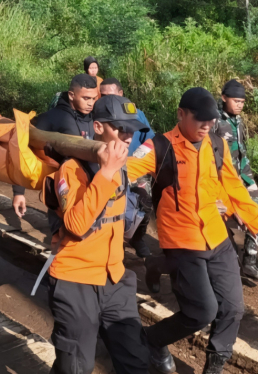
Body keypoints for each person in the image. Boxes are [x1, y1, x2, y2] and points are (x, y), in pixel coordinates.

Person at [126, 87, 258, 374]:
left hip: (216, 236)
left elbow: (233, 186)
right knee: (201, 312)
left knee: (233, 308)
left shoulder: (216, 144)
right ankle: (151, 340)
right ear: (181, 115)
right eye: (200, 121)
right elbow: (125, 169)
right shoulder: (159, 147)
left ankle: (214, 366)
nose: (206, 127)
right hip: (182, 240)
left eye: (210, 122)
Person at [44, 94, 149, 374]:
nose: (128, 137)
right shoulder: (71, 169)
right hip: (75, 279)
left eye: (132, 130)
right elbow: (76, 226)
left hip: (114, 277)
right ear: (99, 127)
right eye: (121, 129)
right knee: (77, 366)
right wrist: (105, 173)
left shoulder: (124, 166)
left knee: (136, 361)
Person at [11, 74, 98, 219]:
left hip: (91, 194)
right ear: (71, 95)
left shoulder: (96, 118)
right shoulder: (53, 118)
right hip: (62, 195)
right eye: (86, 98)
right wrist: (19, 192)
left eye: (94, 98)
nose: (91, 103)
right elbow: (24, 148)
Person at [98, 77, 157, 287]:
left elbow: (150, 139)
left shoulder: (135, 113)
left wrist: (142, 162)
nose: (106, 99)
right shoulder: (97, 116)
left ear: (121, 94)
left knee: (144, 204)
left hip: (134, 169)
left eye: (111, 95)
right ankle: (115, 249)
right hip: (110, 169)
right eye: (102, 95)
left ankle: (138, 237)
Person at [211, 79, 258, 281]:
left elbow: (242, 152)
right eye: (236, 101)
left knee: (257, 211)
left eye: (242, 102)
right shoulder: (214, 121)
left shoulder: (239, 121)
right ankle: (227, 262)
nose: (239, 105)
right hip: (222, 179)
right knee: (221, 218)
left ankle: (249, 262)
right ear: (224, 98)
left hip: (243, 175)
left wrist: (249, 179)